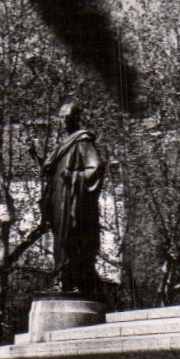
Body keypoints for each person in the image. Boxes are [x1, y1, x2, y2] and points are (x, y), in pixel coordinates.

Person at [37, 101, 104, 296]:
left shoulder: (82, 141)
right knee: (60, 239)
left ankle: (70, 281)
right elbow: (52, 171)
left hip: (71, 201)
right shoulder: (63, 145)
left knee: (70, 239)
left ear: (76, 119)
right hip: (59, 200)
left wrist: (76, 176)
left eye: (68, 117)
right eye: (61, 118)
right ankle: (62, 279)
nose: (64, 122)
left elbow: (96, 167)